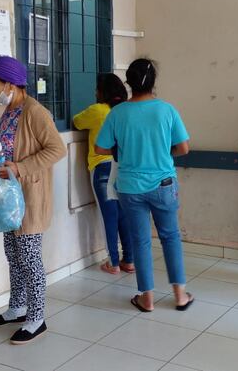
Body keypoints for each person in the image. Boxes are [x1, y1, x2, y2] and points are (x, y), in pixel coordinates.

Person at [95, 58, 194, 312]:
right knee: (170, 237)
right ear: (153, 82)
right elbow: (183, 148)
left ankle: (146, 298)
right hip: (163, 184)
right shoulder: (167, 110)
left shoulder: (117, 113)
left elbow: (100, 147)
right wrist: (161, 151)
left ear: (128, 83)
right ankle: (180, 296)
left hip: (129, 187)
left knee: (140, 241)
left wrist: (126, 149)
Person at [0, 56, 66, 344]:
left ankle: (37, 317)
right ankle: (17, 308)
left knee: (29, 258)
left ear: (10, 83)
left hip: (29, 197)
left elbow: (57, 149)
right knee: (13, 254)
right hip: (8, 199)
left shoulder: (35, 112)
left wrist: (21, 167)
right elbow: (2, 143)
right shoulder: (9, 110)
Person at [73, 73, 135, 275]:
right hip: (122, 167)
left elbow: (77, 122)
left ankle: (113, 262)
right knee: (123, 215)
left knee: (108, 216)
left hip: (102, 168)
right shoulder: (127, 111)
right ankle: (129, 260)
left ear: (102, 91)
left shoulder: (98, 110)